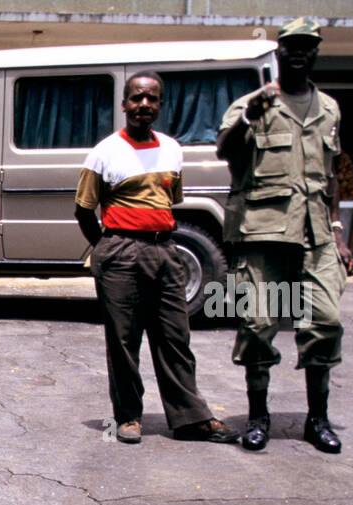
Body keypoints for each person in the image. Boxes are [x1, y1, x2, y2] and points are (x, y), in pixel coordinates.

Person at [74, 71, 237, 446]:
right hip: (121, 251)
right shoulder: (104, 152)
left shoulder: (172, 148)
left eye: (151, 99)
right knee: (124, 339)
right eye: (136, 98)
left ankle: (190, 419)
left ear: (160, 105)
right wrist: (105, 247)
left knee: (175, 336)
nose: (143, 105)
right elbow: (83, 210)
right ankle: (128, 416)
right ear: (124, 104)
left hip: (166, 250)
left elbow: (169, 200)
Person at [217, 16, 353, 453]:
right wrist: (247, 121)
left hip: (316, 235)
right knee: (257, 326)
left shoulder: (329, 108)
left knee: (326, 322)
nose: (299, 52)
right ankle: (258, 418)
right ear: (279, 52)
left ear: (316, 53)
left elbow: (329, 177)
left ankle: (318, 418)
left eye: (307, 46)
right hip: (263, 235)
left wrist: (339, 231)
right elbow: (225, 151)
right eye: (291, 45)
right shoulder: (251, 104)